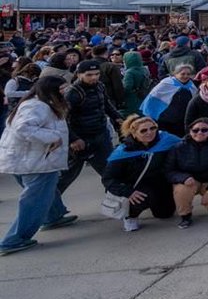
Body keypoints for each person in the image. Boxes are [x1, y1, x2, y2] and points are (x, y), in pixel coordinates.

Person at [0, 76, 76, 256]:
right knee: (35, 200)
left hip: (31, 159)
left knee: (45, 191)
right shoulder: (37, 106)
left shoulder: (39, 103)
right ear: (51, 91)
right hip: (35, 161)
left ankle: (53, 216)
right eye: (62, 89)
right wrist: (53, 137)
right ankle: (14, 239)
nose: (65, 91)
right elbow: (23, 128)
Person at [102, 115, 182, 232]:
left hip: (159, 183)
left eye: (152, 128)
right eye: (143, 130)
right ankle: (130, 216)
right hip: (134, 186)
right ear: (134, 133)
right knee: (142, 197)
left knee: (165, 214)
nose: (149, 132)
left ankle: (155, 203)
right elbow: (108, 178)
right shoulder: (123, 152)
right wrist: (127, 192)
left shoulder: (166, 140)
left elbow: (186, 143)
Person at [57, 59, 123, 197]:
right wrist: (73, 139)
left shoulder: (100, 86)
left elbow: (106, 104)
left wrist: (118, 118)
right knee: (65, 177)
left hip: (100, 135)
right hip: (81, 140)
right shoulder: (72, 93)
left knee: (111, 172)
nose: (94, 77)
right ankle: (49, 205)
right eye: (89, 74)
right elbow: (62, 119)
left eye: (97, 74)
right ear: (79, 74)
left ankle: (117, 201)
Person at [165, 117, 208, 228]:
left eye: (204, 130)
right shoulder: (178, 147)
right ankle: (185, 215)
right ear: (190, 131)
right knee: (181, 189)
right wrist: (183, 178)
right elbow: (169, 171)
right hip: (190, 180)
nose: (200, 132)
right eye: (195, 130)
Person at [121, 50, 151, 117]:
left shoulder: (129, 72)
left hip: (132, 99)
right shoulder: (144, 69)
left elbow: (127, 87)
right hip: (143, 95)